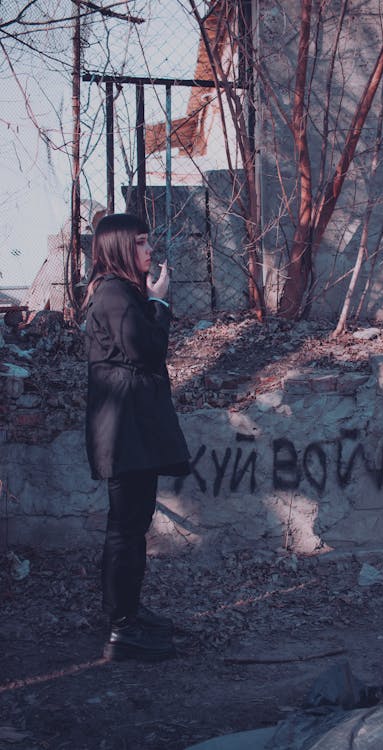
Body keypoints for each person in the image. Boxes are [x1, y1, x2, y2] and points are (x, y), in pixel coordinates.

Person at [84, 213, 190, 662]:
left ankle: (128, 613)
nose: (149, 250)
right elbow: (146, 350)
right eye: (142, 243)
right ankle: (121, 628)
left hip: (130, 428)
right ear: (121, 249)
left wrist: (148, 300)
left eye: (149, 241)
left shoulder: (121, 292)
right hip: (125, 430)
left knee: (133, 525)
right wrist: (160, 303)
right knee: (125, 529)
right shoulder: (113, 292)